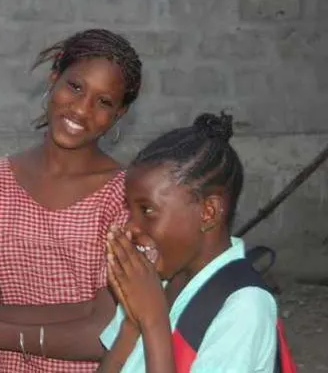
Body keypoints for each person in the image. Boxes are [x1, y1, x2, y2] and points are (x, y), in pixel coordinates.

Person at [0, 28, 143, 372]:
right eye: (76, 87)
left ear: (120, 113)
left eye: (104, 102)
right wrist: (85, 310)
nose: (81, 109)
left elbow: (105, 333)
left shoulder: (123, 196)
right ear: (54, 78)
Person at [98, 112, 278, 372]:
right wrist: (131, 326)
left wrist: (153, 321)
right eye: (130, 209)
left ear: (208, 212)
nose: (130, 227)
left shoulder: (244, 308)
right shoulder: (157, 278)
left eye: (147, 210)